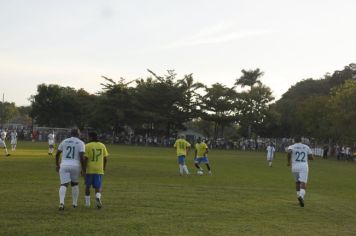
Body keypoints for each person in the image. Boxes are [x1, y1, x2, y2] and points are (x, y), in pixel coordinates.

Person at [55, 128, 85, 210]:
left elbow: (57, 154)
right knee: (75, 184)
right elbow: (82, 157)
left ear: (70, 134)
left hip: (64, 165)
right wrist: (83, 169)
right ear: (78, 134)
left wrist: (57, 165)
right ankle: (74, 204)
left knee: (63, 184)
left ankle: (61, 203)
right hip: (75, 165)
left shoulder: (64, 141)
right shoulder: (81, 143)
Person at [83, 131, 109, 209]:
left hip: (89, 169)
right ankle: (98, 197)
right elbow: (105, 158)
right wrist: (103, 167)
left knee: (87, 186)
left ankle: (87, 203)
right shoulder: (102, 145)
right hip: (99, 169)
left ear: (91, 137)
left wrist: (83, 169)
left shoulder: (87, 145)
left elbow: (85, 158)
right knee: (97, 186)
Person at [287, 136, 313, 207]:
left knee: (297, 182)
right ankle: (301, 197)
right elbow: (311, 158)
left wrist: (288, 162)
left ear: (294, 140)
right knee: (303, 183)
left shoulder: (291, 146)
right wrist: (310, 157)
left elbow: (289, 152)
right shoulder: (306, 147)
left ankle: (299, 198)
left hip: (295, 166)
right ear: (301, 140)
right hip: (303, 166)